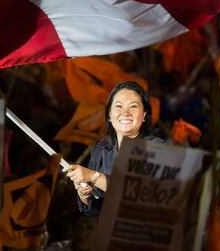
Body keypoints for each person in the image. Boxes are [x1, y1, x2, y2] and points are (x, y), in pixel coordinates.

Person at [64, 81, 161, 216]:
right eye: (119, 106)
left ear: (144, 115)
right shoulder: (100, 149)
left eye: (133, 106)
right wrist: (85, 194)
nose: (125, 112)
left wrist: (93, 176)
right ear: (109, 114)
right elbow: (96, 209)